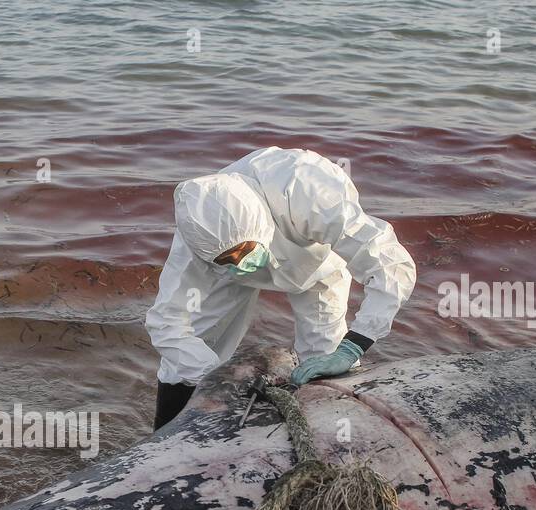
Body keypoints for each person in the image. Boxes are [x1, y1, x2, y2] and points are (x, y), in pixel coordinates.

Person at [145, 146, 416, 430]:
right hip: (228, 278)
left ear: (260, 226)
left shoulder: (309, 193)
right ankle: (165, 435)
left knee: (323, 355)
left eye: (243, 251)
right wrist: (218, 377)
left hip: (316, 261)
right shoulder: (200, 237)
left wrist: (352, 347)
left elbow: (391, 266)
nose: (240, 262)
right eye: (228, 258)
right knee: (189, 357)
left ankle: (326, 437)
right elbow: (166, 321)